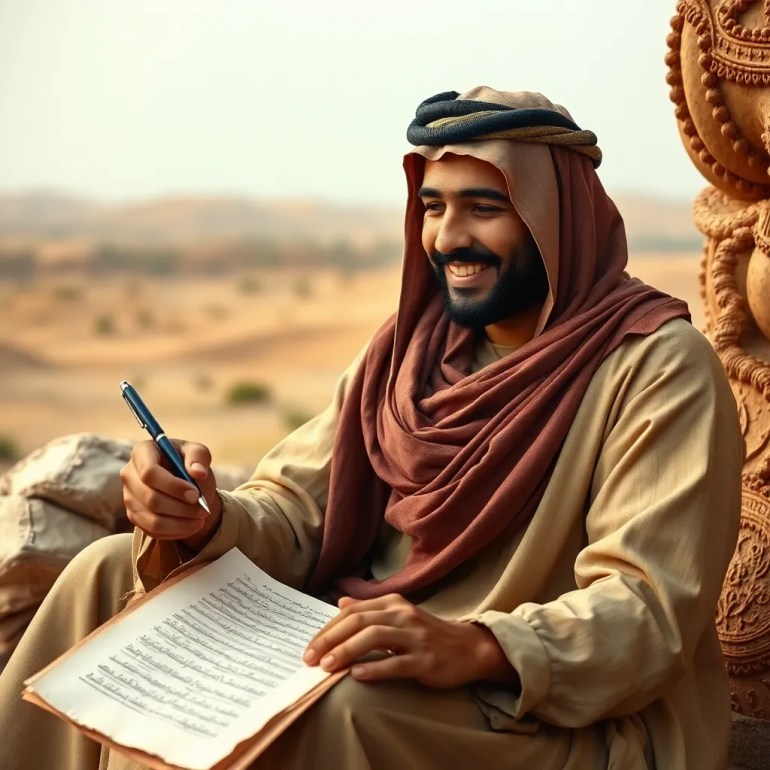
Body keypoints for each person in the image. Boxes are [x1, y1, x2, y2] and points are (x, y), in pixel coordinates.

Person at [0, 87, 743, 770]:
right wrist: (202, 515)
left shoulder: (657, 365)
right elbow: (296, 513)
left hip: (548, 709)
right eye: (433, 207)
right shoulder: (408, 349)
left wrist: (479, 643)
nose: (449, 237)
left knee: (338, 707)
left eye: (483, 207)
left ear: (557, 220)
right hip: (384, 652)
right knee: (102, 573)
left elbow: (646, 610)